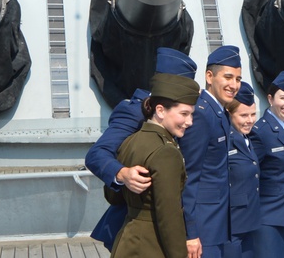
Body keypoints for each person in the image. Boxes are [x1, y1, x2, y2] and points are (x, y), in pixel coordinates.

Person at [85, 48, 199, 250]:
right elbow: (97, 154)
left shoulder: (181, 115)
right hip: (135, 223)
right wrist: (122, 173)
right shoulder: (134, 111)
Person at [180, 45, 243, 258]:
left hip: (216, 224)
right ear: (209, 76)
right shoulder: (201, 115)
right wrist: (191, 233)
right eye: (228, 77)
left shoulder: (218, 112)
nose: (234, 85)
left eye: (238, 79)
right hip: (203, 228)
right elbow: (188, 176)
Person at [249, 71, 284, 257]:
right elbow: (250, 173)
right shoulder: (261, 131)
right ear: (270, 99)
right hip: (267, 217)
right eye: (283, 97)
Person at [224, 82, 260, 258]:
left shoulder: (246, 138)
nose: (250, 120)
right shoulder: (225, 141)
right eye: (244, 115)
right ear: (230, 114)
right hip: (231, 225)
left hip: (248, 222)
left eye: (253, 114)